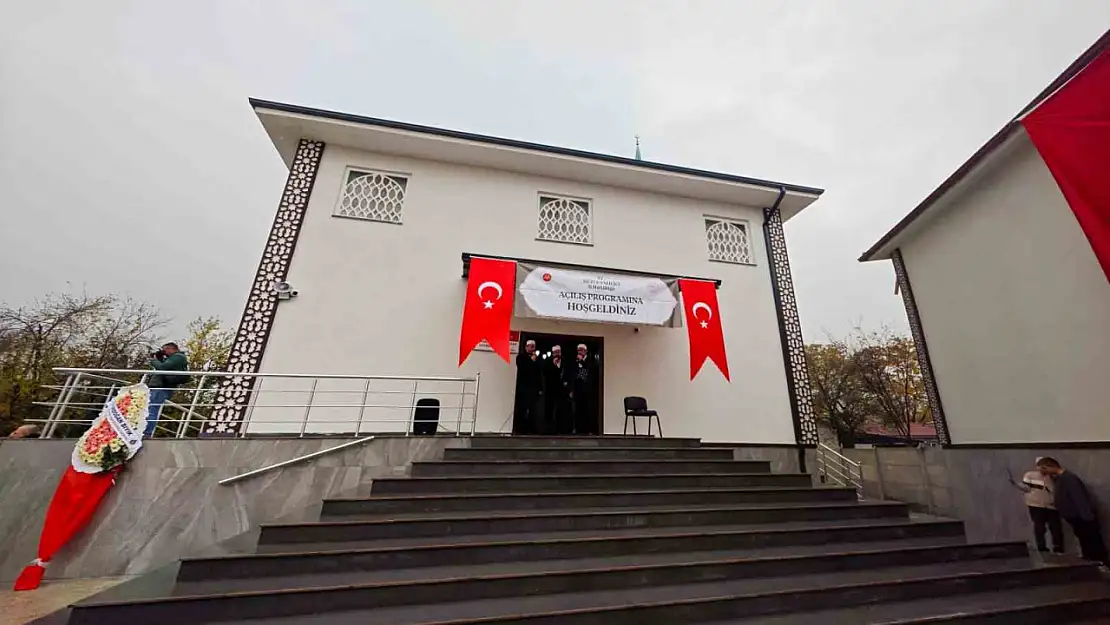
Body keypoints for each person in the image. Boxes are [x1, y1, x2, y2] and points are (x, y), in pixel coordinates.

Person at [1037, 457, 1109, 566]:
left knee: (1093, 544)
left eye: (1043, 470)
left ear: (1049, 466)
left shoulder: (1069, 478)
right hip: (1077, 519)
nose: (1043, 473)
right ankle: (1091, 564)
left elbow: (1079, 498)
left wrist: (1087, 517)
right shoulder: (1060, 479)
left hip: (1083, 518)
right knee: (1086, 544)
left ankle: (1102, 565)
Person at [1009, 459, 1064, 554]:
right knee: (1039, 527)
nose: (1042, 469)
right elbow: (1026, 488)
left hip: (1051, 505)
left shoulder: (1052, 476)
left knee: (1055, 527)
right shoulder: (1030, 475)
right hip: (1036, 505)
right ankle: (1042, 548)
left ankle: (1058, 547)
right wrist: (1015, 484)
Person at [145, 342, 189, 437]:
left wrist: (154, 360)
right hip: (159, 387)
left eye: (165, 350)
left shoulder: (178, 357)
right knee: (149, 409)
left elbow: (162, 367)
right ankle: (145, 431)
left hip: (161, 387)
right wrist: (160, 359)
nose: (164, 353)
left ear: (171, 349)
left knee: (152, 410)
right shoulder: (172, 358)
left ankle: (146, 433)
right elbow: (163, 366)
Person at [512, 340, 545, 435]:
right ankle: (520, 429)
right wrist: (531, 361)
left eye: (533, 346)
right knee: (522, 409)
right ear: (526, 347)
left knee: (533, 410)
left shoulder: (537, 359)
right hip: (523, 388)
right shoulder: (521, 357)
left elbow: (539, 374)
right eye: (530, 346)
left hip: (534, 389)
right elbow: (523, 369)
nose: (532, 348)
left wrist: (540, 388)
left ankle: (532, 429)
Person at [570, 343, 599, 435]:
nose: (580, 352)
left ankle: (588, 429)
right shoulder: (575, 362)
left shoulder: (591, 360)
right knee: (577, 410)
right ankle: (578, 429)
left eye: (581, 350)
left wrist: (582, 362)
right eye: (578, 350)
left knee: (587, 409)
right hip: (578, 389)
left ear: (586, 351)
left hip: (588, 389)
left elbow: (592, 371)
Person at [543, 345, 572, 434]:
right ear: (552, 354)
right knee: (549, 411)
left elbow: (568, 375)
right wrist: (553, 365)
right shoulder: (547, 363)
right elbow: (546, 376)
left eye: (558, 352)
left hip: (562, 392)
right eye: (555, 352)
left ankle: (561, 430)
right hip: (550, 391)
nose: (557, 354)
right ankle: (549, 431)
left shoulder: (565, 363)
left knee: (561, 412)